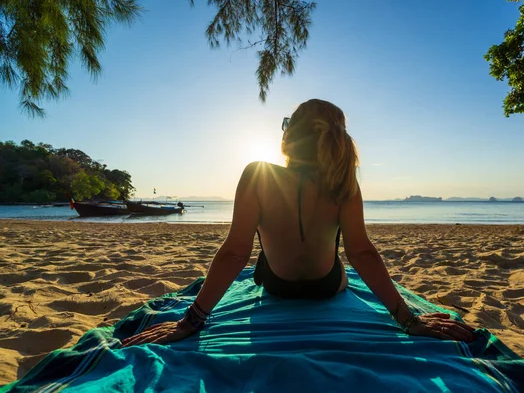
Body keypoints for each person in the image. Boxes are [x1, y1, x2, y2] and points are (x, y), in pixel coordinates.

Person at [122, 99, 475, 347]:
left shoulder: (257, 174)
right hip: (328, 285)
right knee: (338, 262)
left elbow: (234, 253)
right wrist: (408, 320)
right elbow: (362, 252)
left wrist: (191, 322)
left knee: (262, 260)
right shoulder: (343, 183)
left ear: (288, 138)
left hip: (277, 284)